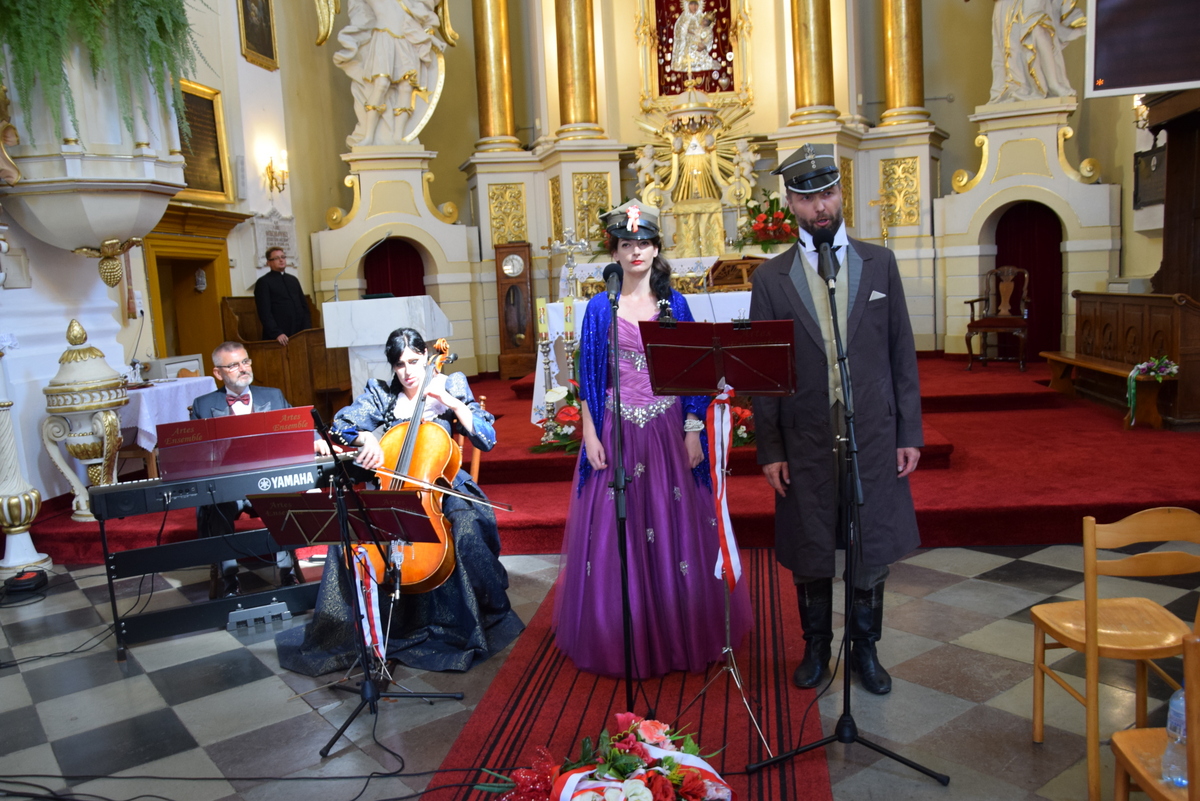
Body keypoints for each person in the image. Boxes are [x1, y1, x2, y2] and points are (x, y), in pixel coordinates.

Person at [750, 144, 923, 696]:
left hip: (871, 427)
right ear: (790, 204)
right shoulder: (771, 278)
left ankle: (865, 649)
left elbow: (901, 352)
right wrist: (770, 449)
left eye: (827, 193)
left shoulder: (880, 262)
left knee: (871, 543)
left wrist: (908, 432)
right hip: (804, 432)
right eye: (807, 199)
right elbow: (764, 374)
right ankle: (816, 646)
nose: (820, 207)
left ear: (841, 193)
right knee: (811, 541)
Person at [553, 201, 752, 678]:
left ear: (657, 249)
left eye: (643, 243)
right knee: (617, 532)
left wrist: (692, 427)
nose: (636, 251)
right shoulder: (599, 308)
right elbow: (590, 375)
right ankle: (619, 634)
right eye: (626, 244)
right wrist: (590, 432)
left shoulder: (675, 305)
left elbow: (695, 372)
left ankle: (677, 630)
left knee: (672, 526)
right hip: (616, 428)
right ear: (615, 253)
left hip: (666, 429)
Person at [327, 327, 524, 671]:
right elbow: (338, 426)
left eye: (414, 361)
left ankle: (476, 615)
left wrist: (451, 402)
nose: (407, 371)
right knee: (354, 531)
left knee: (465, 527)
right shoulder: (382, 394)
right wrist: (365, 438)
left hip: (441, 483)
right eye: (399, 364)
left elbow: (486, 438)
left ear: (425, 357)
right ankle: (372, 623)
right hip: (395, 485)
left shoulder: (450, 384)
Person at [192, 342, 328, 596]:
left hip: (268, 482)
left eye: (246, 361)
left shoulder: (273, 396)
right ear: (218, 373)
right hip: (229, 487)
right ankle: (230, 580)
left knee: (283, 497)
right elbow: (197, 452)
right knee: (216, 505)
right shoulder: (203, 405)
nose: (243, 368)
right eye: (234, 365)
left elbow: (298, 424)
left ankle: (287, 574)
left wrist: (316, 439)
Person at [253, 248, 311, 345]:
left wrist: (307, 328)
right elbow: (264, 312)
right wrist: (276, 333)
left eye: (283, 257)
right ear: (268, 262)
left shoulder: (293, 280)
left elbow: (303, 306)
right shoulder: (264, 282)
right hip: (279, 335)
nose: (281, 260)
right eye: (276, 258)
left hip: (299, 331)